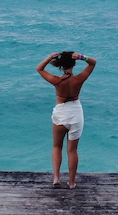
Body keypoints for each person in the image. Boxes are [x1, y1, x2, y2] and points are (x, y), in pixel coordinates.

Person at [36, 50, 97, 188]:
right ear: (74, 64)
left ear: (60, 65)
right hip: (75, 113)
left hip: (61, 113)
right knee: (72, 150)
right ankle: (71, 182)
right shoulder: (79, 79)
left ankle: (56, 178)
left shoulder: (57, 81)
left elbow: (39, 68)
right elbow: (93, 63)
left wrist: (50, 57)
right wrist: (82, 57)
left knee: (57, 146)